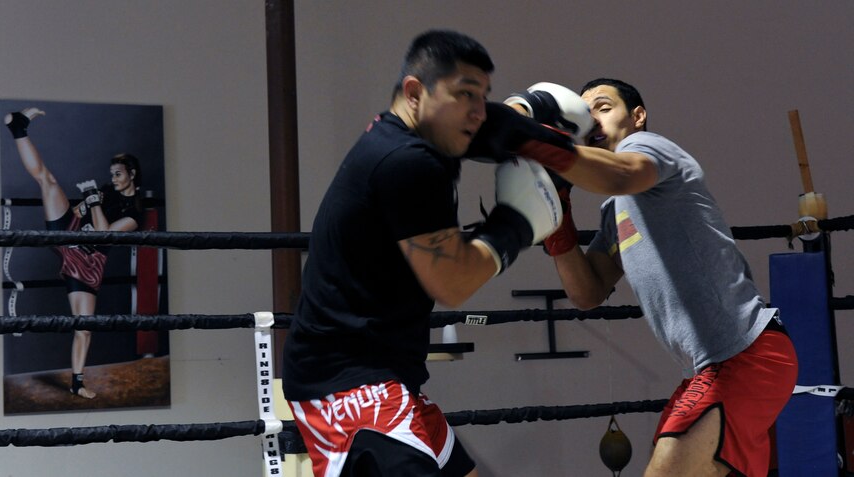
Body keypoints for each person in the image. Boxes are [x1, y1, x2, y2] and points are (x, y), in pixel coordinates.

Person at [281, 30, 565, 477]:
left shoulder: (419, 145)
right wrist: (514, 225)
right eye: (464, 95)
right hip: (349, 386)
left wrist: (553, 138)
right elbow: (452, 281)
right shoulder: (404, 160)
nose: (477, 112)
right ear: (416, 92)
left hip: (385, 374)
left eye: (483, 97)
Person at [507, 78, 798, 476]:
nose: (592, 117)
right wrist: (558, 221)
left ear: (638, 116)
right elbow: (587, 292)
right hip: (714, 366)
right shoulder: (614, 211)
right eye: (584, 111)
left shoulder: (646, 149)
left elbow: (622, 174)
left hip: (741, 355)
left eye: (604, 107)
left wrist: (549, 151)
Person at [4, 108, 143, 399]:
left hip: (87, 262)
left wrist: (92, 203)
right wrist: (85, 205)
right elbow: (81, 212)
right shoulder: (107, 190)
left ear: (131, 175)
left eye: (118, 174)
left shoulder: (135, 214)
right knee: (48, 182)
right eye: (111, 174)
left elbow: (106, 234)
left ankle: (77, 382)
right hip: (71, 232)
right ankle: (19, 127)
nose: (114, 179)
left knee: (84, 327)